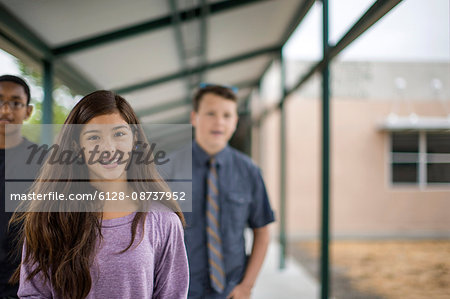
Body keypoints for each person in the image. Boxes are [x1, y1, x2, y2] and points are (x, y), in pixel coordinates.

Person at [10, 90, 189, 299]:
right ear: (77, 146)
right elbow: (34, 295)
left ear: (135, 140)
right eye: (94, 137)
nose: (107, 148)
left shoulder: (164, 221)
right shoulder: (49, 216)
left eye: (119, 134)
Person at [169, 84, 275, 298]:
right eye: (210, 113)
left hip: (230, 291)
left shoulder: (250, 172)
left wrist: (247, 286)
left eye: (227, 115)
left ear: (235, 122)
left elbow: (262, 231)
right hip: (180, 291)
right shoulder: (166, 170)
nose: (219, 122)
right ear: (194, 117)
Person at [0, 75, 38, 299]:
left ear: (28, 111)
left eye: (15, 102)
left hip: (24, 282)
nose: (6, 110)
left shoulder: (43, 162)